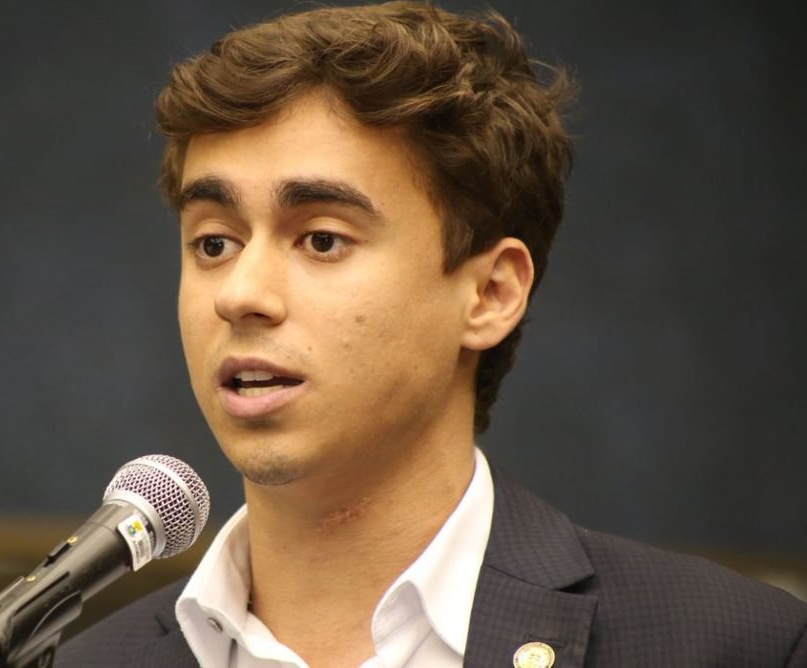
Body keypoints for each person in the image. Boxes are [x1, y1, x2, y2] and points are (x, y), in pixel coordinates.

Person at [57, 2, 807, 666]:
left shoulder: (732, 645)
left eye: (322, 239)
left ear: (490, 294)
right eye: (214, 242)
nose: (241, 295)